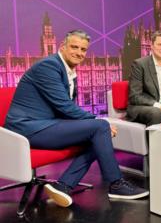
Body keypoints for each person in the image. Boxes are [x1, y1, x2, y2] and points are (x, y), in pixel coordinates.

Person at [4, 30, 149, 208]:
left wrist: (96, 126)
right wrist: (99, 123)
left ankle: (63, 185)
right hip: (26, 129)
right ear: (62, 47)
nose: (79, 53)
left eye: (83, 49)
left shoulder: (68, 71)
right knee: (100, 128)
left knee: (97, 135)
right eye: (74, 47)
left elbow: (65, 110)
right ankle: (116, 184)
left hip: (46, 123)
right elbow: (65, 106)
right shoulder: (48, 66)